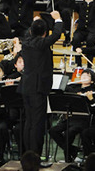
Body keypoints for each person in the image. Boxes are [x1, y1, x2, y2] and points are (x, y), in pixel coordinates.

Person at [19, 11, 63, 155]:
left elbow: (31, 31)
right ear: (44, 32)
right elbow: (56, 35)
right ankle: (35, 156)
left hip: (26, 86)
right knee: (37, 123)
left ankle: (27, 154)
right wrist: (58, 19)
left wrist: (36, 21)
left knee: (29, 122)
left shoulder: (25, 41)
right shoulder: (42, 43)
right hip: (38, 88)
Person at [70, 0, 95, 67]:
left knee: (90, 40)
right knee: (76, 39)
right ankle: (78, 63)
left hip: (93, 30)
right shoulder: (80, 5)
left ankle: (89, 64)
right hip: (81, 30)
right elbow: (71, 2)